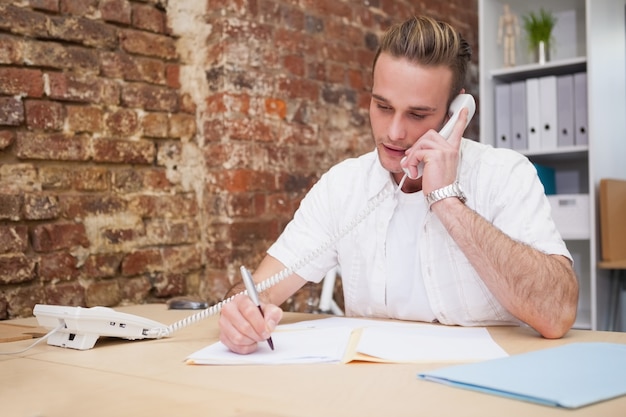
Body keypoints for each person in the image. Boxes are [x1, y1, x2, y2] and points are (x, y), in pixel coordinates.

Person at [218, 15, 579, 354]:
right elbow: (257, 291)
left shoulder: (505, 174)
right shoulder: (343, 187)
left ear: (457, 113)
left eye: (418, 115)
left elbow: (557, 314)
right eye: (382, 106)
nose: (393, 132)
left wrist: (446, 199)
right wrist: (242, 315)